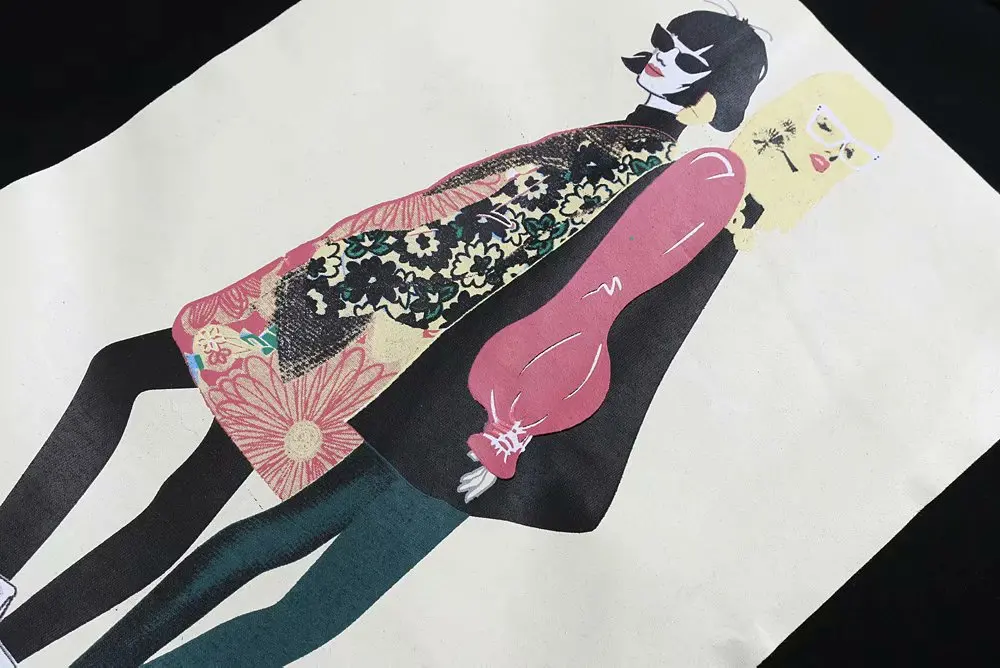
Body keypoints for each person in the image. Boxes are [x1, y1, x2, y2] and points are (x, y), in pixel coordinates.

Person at [0, 7, 769, 663]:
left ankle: (14, 629)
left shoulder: (631, 162)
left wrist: (348, 283)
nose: (661, 59)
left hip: (357, 317)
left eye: (685, 59)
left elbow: (489, 248)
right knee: (179, 466)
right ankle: (16, 633)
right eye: (664, 42)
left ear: (711, 92)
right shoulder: (622, 142)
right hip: (355, 305)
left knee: (156, 429)